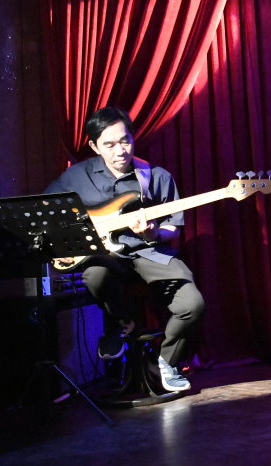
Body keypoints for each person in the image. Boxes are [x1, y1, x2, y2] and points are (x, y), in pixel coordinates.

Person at [45, 106, 205, 393]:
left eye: (125, 141)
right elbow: (47, 211)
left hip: (149, 252)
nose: (120, 151)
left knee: (192, 305)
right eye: (109, 145)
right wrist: (64, 243)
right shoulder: (76, 176)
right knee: (95, 275)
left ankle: (166, 362)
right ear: (94, 146)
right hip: (106, 255)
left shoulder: (156, 176)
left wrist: (152, 232)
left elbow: (173, 228)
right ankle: (122, 323)